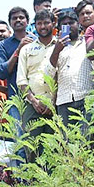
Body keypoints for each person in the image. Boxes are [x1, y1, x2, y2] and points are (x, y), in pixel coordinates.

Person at [48, 3, 94, 126]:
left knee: (87, 140)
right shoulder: (54, 47)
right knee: (67, 141)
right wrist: (57, 49)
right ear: (59, 28)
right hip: (64, 100)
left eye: (71, 23)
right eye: (64, 24)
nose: (68, 26)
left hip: (87, 98)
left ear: (78, 24)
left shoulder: (88, 42)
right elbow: (49, 73)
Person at [16, 9, 59, 142]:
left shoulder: (61, 46)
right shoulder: (26, 49)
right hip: (32, 105)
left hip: (56, 104)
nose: (42, 27)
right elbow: (21, 80)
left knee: (55, 148)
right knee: (33, 147)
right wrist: (34, 101)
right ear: (34, 26)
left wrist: (52, 103)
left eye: (46, 23)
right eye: (39, 23)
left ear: (53, 24)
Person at [0, 7, 32, 99]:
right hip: (16, 97)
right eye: (14, 18)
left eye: (21, 17)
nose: (18, 20)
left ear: (27, 21)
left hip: (39, 95)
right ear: (10, 23)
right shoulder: (3, 45)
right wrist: (18, 50)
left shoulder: (37, 41)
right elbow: (1, 73)